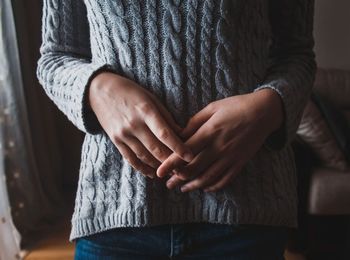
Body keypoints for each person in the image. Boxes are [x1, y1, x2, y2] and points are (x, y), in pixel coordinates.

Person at [36, 0, 316, 259]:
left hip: (246, 214)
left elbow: (296, 54)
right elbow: (56, 57)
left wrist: (269, 107)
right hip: (115, 216)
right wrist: (98, 89)